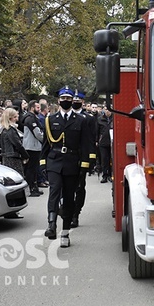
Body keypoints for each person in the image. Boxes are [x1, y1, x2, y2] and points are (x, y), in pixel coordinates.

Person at [40, 86, 93, 248]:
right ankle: (51, 224)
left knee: (69, 198)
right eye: (63, 98)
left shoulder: (81, 120)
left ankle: (65, 232)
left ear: (72, 101)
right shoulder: (50, 119)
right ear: (58, 100)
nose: (66, 101)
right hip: (54, 160)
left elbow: (86, 144)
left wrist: (85, 166)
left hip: (72, 162)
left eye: (69, 99)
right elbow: (45, 145)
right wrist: (43, 163)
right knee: (54, 191)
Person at [70, 90, 97, 228]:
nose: (75, 102)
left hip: (82, 157)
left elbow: (92, 139)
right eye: (73, 100)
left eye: (77, 100)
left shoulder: (88, 118)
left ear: (82, 102)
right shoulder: (64, 117)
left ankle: (76, 214)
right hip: (67, 157)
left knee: (80, 187)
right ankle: (67, 210)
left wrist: (91, 157)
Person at [21, 100, 45, 197]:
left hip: (33, 146)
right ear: (32, 108)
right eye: (37, 107)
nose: (39, 109)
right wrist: (45, 140)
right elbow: (38, 133)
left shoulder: (33, 117)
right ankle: (31, 188)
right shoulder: (30, 118)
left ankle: (34, 187)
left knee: (34, 169)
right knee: (31, 169)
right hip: (32, 147)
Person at [0, 107, 29, 177]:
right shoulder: (10, 130)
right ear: (10, 118)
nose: (16, 118)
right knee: (16, 178)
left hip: (7, 157)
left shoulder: (3, 129)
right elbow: (18, 144)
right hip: (12, 158)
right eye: (14, 117)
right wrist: (26, 155)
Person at [97, 106, 113, 183]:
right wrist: (96, 140)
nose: (108, 111)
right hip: (103, 143)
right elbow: (96, 131)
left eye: (109, 109)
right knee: (104, 159)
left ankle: (110, 175)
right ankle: (105, 175)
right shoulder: (100, 119)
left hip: (112, 142)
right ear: (103, 110)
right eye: (106, 109)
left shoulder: (114, 118)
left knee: (111, 159)